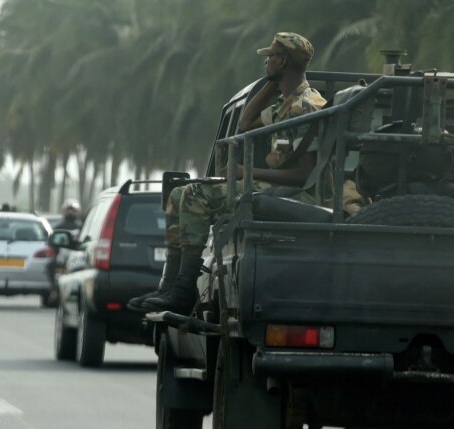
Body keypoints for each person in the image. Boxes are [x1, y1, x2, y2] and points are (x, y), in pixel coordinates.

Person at [128, 32, 327, 314]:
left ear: (284, 61)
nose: (266, 61)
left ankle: (184, 292)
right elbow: (246, 123)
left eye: (271, 57)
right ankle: (170, 285)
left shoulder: (307, 106)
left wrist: (245, 171)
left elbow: (304, 175)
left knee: (197, 195)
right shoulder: (286, 103)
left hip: (300, 194)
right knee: (177, 195)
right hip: (282, 188)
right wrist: (272, 84)